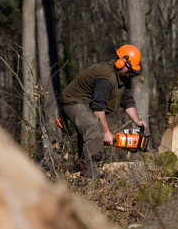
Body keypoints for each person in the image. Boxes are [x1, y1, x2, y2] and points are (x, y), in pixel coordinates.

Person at [60, 44, 147, 178]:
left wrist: (136, 120)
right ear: (120, 63)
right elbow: (98, 107)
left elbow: (127, 100)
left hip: (87, 104)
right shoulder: (105, 78)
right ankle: (90, 173)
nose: (131, 75)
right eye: (130, 71)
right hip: (73, 102)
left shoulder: (122, 78)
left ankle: (82, 166)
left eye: (134, 73)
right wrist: (106, 133)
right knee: (95, 129)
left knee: (90, 132)